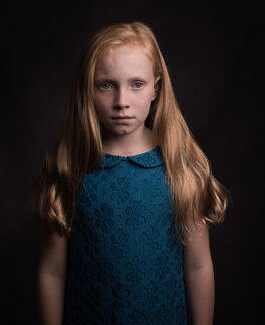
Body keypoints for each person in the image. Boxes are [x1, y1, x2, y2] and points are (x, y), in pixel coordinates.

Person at [31, 21, 228, 325]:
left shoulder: (180, 167)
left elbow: (198, 266)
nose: (121, 102)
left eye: (136, 84)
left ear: (155, 88)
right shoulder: (68, 168)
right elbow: (52, 271)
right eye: (106, 85)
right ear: (88, 88)